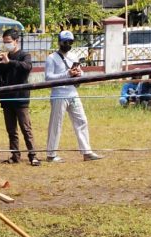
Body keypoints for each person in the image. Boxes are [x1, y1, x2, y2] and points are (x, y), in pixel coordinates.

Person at [45, 31, 103, 162]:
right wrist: (67, 74)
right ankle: (51, 154)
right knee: (56, 124)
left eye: (70, 42)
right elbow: (48, 78)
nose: (68, 44)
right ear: (59, 42)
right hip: (59, 94)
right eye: (65, 42)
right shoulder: (51, 58)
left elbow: (80, 71)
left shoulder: (74, 55)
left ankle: (86, 152)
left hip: (73, 93)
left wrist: (78, 73)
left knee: (82, 121)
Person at [0, 28, 40, 166]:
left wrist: (9, 62)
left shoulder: (24, 55)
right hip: (6, 98)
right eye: (4, 42)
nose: (6, 45)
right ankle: (15, 155)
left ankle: (33, 155)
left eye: (8, 42)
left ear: (16, 41)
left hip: (20, 98)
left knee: (26, 128)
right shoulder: (4, 57)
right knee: (11, 130)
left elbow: (26, 67)